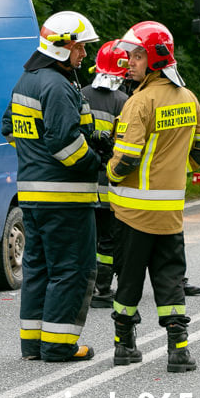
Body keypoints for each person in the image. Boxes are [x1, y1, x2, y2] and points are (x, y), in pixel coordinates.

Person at [106, 21, 200, 372]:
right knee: (170, 281)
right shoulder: (188, 97)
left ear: (153, 59)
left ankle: (124, 346)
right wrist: (181, 168)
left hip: (133, 214)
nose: (129, 62)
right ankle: (179, 351)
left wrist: (108, 174)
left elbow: (126, 158)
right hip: (170, 214)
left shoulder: (139, 102)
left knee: (130, 281)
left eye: (137, 55)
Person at [2, 11, 105, 362]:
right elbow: (63, 144)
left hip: (32, 197)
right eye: (80, 47)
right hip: (65, 197)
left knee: (39, 270)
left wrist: (35, 157)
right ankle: (60, 345)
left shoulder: (26, 81)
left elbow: (9, 128)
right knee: (72, 270)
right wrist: (96, 160)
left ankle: (33, 344)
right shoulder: (57, 85)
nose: (84, 55)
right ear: (63, 46)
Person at [82, 41, 129, 308]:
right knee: (108, 242)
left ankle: (84, 288)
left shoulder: (80, 95)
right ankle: (103, 289)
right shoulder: (125, 102)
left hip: (82, 183)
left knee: (86, 239)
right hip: (111, 185)